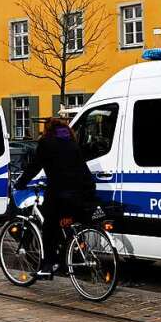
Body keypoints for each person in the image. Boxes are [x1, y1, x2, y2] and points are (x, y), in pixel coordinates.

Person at [13, 117, 96, 277]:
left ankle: (48, 265)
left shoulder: (46, 143)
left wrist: (21, 183)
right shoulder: (72, 144)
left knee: (49, 227)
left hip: (60, 195)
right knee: (63, 226)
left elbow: (34, 166)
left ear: (48, 130)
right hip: (81, 194)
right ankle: (65, 262)